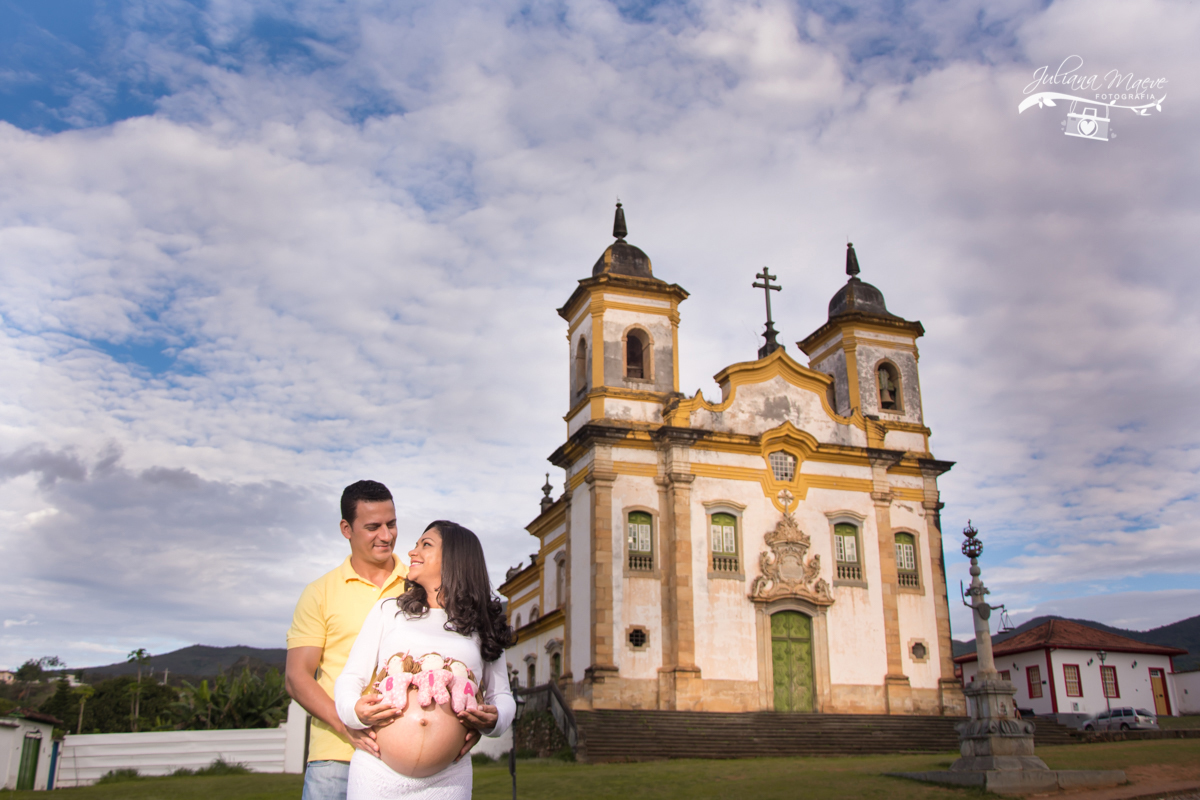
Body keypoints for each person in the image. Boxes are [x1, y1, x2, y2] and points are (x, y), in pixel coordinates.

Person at [334, 521, 516, 800]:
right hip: (376, 773)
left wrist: (495, 720)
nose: (411, 552)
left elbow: (501, 695)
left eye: (425, 545)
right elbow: (351, 678)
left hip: (448, 780)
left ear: (456, 559)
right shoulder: (388, 611)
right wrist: (354, 713)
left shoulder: (483, 626)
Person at [287, 480, 410, 800]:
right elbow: (297, 677)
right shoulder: (320, 592)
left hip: (408, 755)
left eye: (392, 524)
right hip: (336, 757)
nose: (386, 536)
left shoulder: (420, 585)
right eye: (373, 527)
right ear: (346, 528)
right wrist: (348, 727)